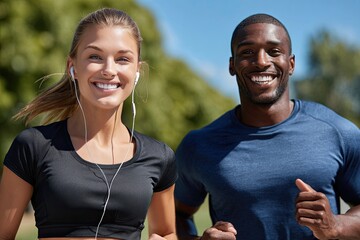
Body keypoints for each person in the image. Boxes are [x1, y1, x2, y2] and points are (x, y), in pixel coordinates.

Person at [174, 13, 360, 240]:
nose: (261, 61)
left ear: (290, 64)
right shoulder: (199, 145)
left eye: (274, 51)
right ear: (232, 66)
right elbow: (174, 214)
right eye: (247, 53)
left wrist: (336, 225)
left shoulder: (338, 132)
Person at [0, 8, 177, 240]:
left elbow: (167, 233)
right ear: (72, 67)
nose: (109, 70)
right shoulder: (33, 146)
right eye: (95, 56)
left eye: (123, 59)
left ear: (137, 71)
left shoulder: (160, 156)